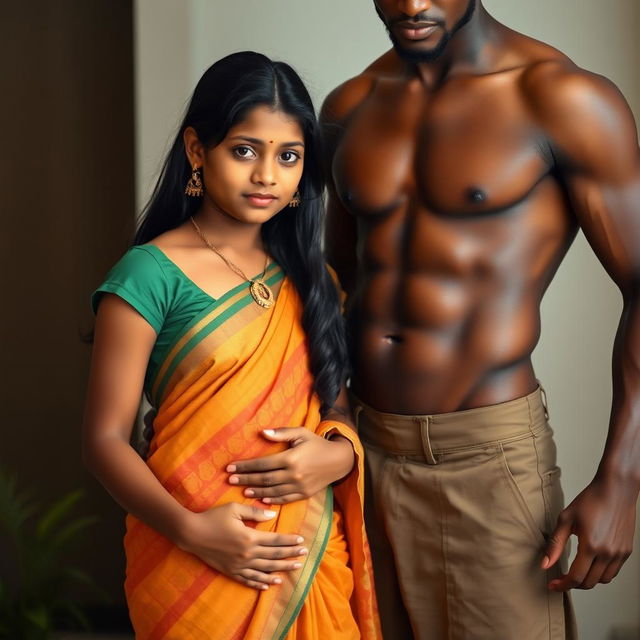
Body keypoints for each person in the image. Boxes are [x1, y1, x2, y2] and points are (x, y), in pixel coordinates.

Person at [320, 1, 640, 638]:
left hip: (486, 460)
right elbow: (337, 279)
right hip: (363, 453)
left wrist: (623, 479)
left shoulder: (562, 99)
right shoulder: (349, 106)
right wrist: (330, 416)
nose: (412, 5)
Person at [82, 51, 380, 640]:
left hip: (307, 555)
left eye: (288, 156)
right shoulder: (150, 273)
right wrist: (192, 531)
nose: (266, 175)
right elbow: (104, 440)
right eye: (245, 150)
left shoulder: (314, 280)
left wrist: (340, 453)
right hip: (187, 559)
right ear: (198, 150)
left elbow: (337, 408)